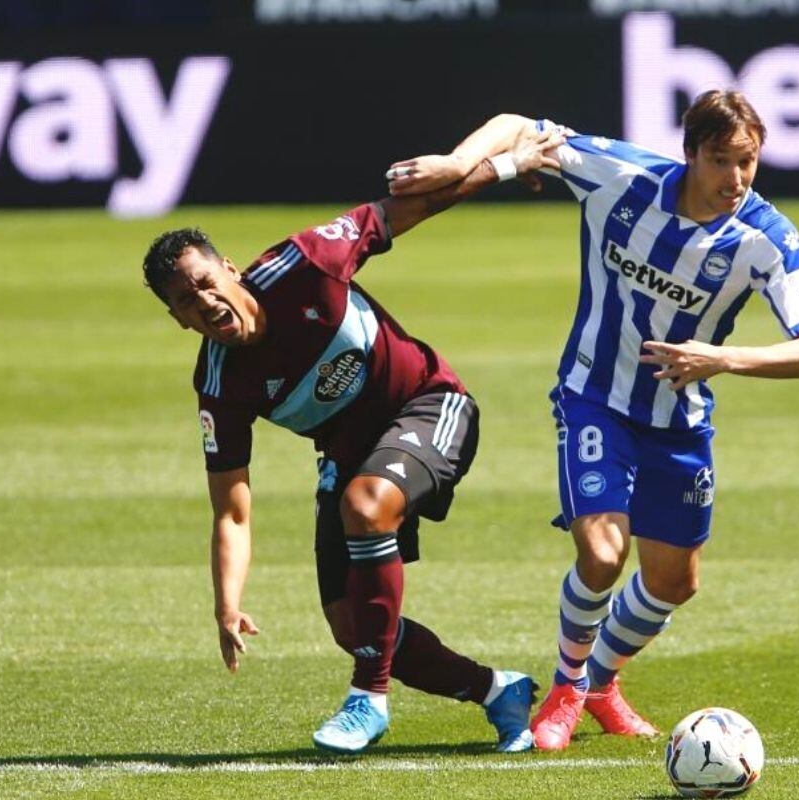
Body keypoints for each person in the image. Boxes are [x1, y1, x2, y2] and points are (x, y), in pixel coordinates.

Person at [387, 90, 799, 750]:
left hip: (679, 419)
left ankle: (599, 683)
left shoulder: (767, 239)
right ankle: (566, 688)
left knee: (674, 582)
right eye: (721, 160)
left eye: (748, 162)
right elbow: (519, 125)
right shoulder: (623, 177)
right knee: (602, 553)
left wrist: (722, 359)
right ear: (690, 154)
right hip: (593, 396)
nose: (736, 178)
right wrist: (456, 165)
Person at [140, 127, 565, 755]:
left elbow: (409, 208)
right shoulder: (219, 385)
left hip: (430, 404)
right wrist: (226, 605)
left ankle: (369, 698)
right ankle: (497, 691)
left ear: (229, 270)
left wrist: (507, 165)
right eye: (185, 301)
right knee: (352, 623)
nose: (204, 302)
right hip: (350, 453)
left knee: (364, 507)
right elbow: (232, 510)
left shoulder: (304, 262)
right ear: (178, 320)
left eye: (205, 282)